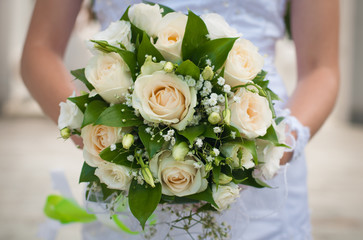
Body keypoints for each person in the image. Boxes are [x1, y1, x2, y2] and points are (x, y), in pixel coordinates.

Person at [21, 0, 339, 239]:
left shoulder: (267, 158)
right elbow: (40, 49)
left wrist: (276, 150)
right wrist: (104, 141)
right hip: (128, 182)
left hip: (261, 165)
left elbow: (321, 68)